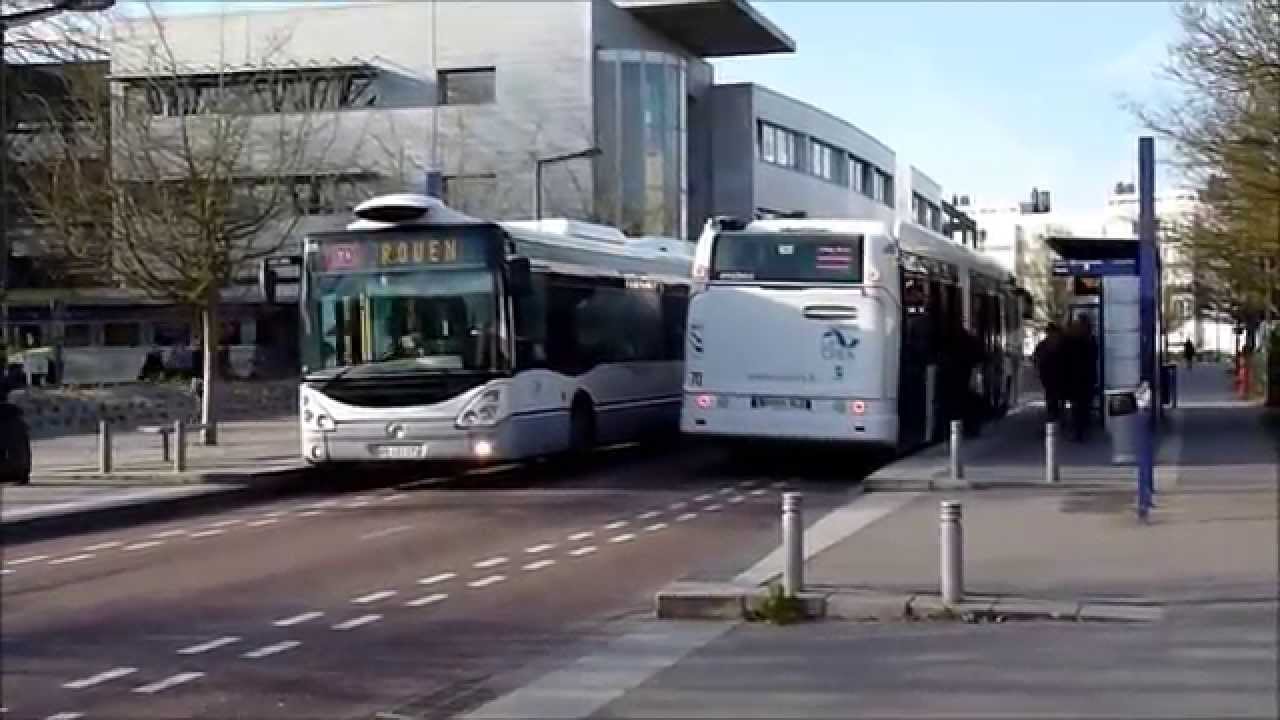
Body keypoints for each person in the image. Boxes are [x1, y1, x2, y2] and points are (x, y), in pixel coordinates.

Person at [1064, 316, 1099, 442]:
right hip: (1085, 379)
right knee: (1083, 407)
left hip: (1079, 380)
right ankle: (1082, 431)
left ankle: (1080, 432)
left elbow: (1071, 359)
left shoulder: (1077, 341)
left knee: (1079, 407)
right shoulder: (1090, 340)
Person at [1032, 323, 1066, 422]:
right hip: (1052, 374)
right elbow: (1037, 358)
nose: (1051, 334)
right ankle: (1055, 412)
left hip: (1053, 374)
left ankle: (1054, 412)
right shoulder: (1060, 344)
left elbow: (1036, 358)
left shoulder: (1044, 344)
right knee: (1053, 393)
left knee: (1053, 393)